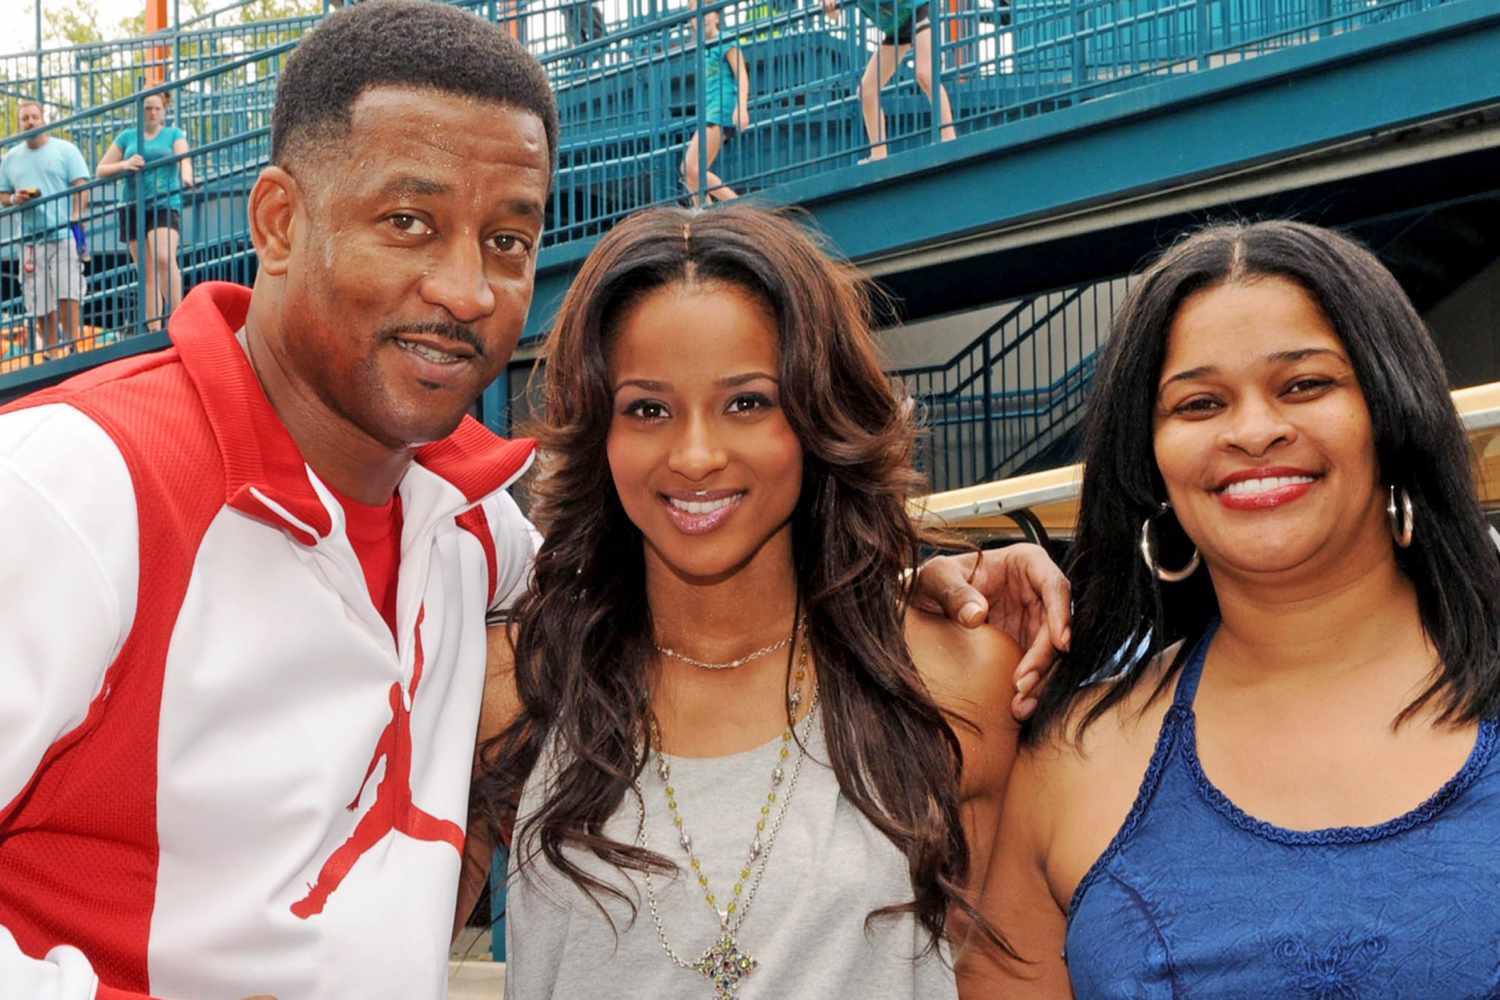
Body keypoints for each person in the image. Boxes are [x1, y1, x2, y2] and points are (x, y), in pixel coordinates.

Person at [0, 3, 1067, 998]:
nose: (467, 288)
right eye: (410, 221)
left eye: (507, 240)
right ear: (277, 222)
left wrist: (932, 568)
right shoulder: (71, 485)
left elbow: (705, 532)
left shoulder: (472, 533)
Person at [468, 205, 1023, 998]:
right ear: (602, 432)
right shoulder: (513, 691)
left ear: (816, 415)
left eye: (747, 402)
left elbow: (1009, 974)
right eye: (648, 409)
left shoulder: (956, 677)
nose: (696, 455)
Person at [985, 221, 1500, 996]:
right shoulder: (1072, 760)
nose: (1255, 431)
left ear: (1390, 415)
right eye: (1199, 403)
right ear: (1150, 458)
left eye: (1304, 385)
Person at [97, 91, 195, 331]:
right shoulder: (127, 137)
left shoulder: (174, 134)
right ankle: (154, 330)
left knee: (164, 257)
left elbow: (184, 157)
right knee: (147, 270)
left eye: (156, 109)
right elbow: (101, 169)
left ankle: (178, 317)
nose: (152, 113)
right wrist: (125, 164)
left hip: (163, 201)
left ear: (164, 110)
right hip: (132, 204)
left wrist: (187, 175)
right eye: (147, 108)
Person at [0, 99, 91, 358]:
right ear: (20, 124)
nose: (30, 122)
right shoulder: (11, 158)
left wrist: (76, 215)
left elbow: (81, 185)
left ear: (43, 119)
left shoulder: (65, 150)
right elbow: (3, 195)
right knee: (39, 300)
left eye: (34, 117)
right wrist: (15, 199)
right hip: (30, 239)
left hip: (62, 233)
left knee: (67, 292)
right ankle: (50, 353)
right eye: (25, 118)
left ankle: (73, 346)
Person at [822, 0, 956, 162]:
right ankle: (878, 155)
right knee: (867, 91)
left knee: (925, 74)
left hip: (918, 11)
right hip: (897, 28)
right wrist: (828, 6)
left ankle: (949, 138)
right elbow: (835, 15)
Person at [682, 2, 749, 206]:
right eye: (695, 15)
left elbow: (742, 75)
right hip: (710, 112)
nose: (700, 18)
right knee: (691, 171)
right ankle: (703, 211)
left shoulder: (725, 41)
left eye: (705, 12)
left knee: (692, 169)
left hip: (722, 110)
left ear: (717, 16)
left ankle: (736, 205)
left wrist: (742, 106)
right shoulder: (703, 49)